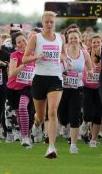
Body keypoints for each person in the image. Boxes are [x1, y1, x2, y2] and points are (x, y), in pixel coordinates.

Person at [23, 11, 70, 159]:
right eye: (47, 22)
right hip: (39, 78)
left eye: (52, 22)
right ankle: (36, 125)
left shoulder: (60, 38)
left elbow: (63, 54)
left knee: (53, 111)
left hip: (55, 78)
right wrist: (38, 56)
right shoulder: (35, 38)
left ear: (54, 23)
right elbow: (24, 59)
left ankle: (51, 147)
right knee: (41, 116)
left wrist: (65, 60)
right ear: (42, 23)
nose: (49, 24)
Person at [58, 28, 93, 154]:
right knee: (62, 117)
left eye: (75, 38)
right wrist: (62, 75)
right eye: (71, 38)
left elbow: (90, 69)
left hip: (77, 88)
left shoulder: (84, 53)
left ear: (79, 39)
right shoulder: (63, 53)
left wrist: (89, 72)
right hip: (62, 88)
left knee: (75, 116)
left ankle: (73, 145)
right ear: (68, 40)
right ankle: (64, 125)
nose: (73, 40)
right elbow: (56, 68)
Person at [7, 31, 35, 148]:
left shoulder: (34, 54)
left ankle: (25, 137)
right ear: (15, 45)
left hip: (27, 88)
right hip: (13, 88)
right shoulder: (14, 55)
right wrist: (23, 65)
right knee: (19, 113)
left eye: (24, 40)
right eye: (19, 42)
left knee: (24, 107)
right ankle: (26, 136)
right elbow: (11, 73)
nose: (22, 43)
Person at [80, 34, 102, 147]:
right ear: (90, 44)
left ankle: (93, 140)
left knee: (98, 114)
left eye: (98, 42)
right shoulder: (85, 55)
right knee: (88, 113)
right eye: (94, 42)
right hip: (87, 87)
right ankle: (85, 123)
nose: (96, 44)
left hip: (100, 88)